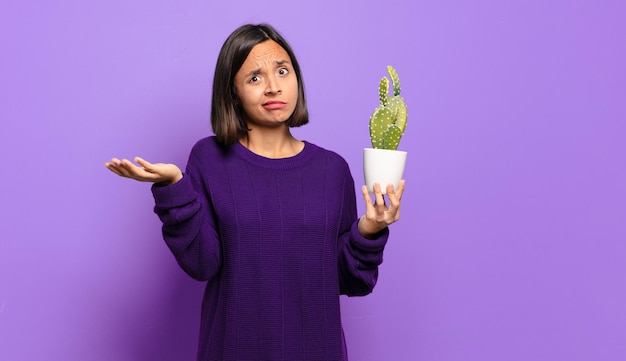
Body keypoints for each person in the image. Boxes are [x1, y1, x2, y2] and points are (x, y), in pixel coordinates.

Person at [105, 23, 405, 361]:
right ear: (232, 92)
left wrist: (370, 229)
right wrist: (175, 186)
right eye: (255, 78)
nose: (274, 87)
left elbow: (350, 280)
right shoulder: (208, 160)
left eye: (282, 71)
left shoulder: (332, 170)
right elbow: (203, 263)